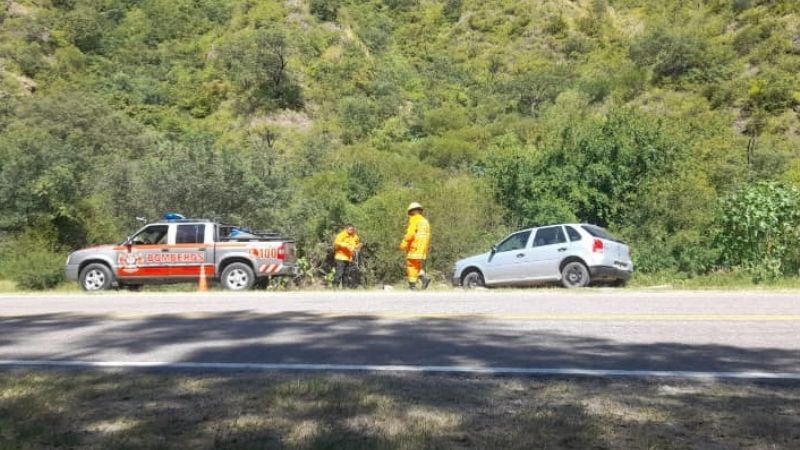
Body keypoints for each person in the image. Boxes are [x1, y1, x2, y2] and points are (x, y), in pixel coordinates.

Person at [399, 202, 431, 290]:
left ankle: (412, 286)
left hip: (415, 246)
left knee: (411, 265)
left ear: (411, 211)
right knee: (416, 264)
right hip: (423, 248)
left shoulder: (414, 220)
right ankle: (423, 278)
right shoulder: (425, 221)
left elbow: (410, 234)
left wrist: (403, 244)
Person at [332, 224, 362, 288]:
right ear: (346, 229)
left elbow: (356, 246)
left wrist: (358, 246)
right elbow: (336, 244)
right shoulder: (341, 235)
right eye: (350, 229)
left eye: (352, 229)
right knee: (339, 273)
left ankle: (344, 288)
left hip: (349, 258)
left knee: (346, 274)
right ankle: (335, 287)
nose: (351, 231)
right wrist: (345, 245)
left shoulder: (355, 236)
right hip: (340, 257)